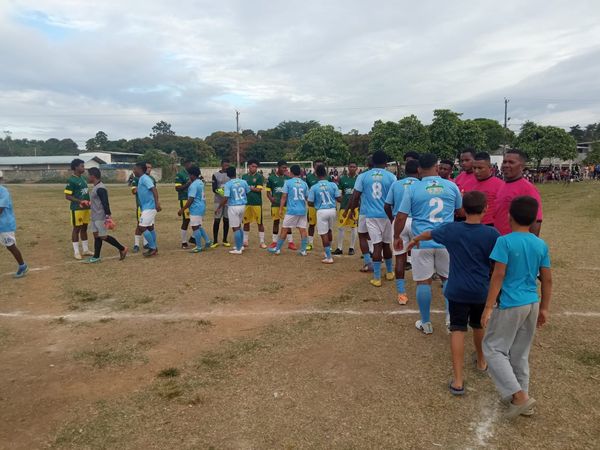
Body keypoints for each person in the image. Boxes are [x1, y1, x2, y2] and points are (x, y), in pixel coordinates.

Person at [408, 191, 500, 395]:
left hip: (457, 290)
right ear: (485, 209)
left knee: (458, 329)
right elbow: (499, 262)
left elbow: (429, 234)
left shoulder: (451, 229)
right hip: (480, 290)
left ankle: (458, 381)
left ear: (463, 210)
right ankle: (482, 362)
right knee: (478, 325)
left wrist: (415, 240)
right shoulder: (492, 234)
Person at [482, 196, 552, 419]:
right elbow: (547, 279)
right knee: (520, 353)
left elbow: (498, 274)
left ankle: (519, 396)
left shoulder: (504, 241)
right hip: (532, 303)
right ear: (533, 220)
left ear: (509, 216)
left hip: (511, 304)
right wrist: (544, 308)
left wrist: (488, 306)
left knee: (493, 348)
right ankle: (523, 399)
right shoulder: (540, 244)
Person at [394, 153, 462, 335]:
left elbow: (401, 216)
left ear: (418, 169)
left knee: (423, 282)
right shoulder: (451, 186)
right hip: (446, 241)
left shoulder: (413, 188)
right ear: (437, 167)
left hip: (421, 242)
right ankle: (450, 320)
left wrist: (396, 236)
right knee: (448, 279)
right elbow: (461, 211)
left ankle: (426, 323)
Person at [351, 150, 397, 287]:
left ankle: (377, 278)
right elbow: (396, 197)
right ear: (386, 162)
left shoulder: (363, 176)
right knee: (386, 244)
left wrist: (353, 209)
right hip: (387, 215)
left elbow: (356, 196)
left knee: (376, 245)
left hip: (371, 215)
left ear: (373, 162)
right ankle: (389, 272)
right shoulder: (391, 177)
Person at [384, 159, 419, 305]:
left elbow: (387, 205)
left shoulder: (396, 184)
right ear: (419, 170)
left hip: (400, 221)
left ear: (405, 171)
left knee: (399, 258)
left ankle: (401, 293)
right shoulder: (421, 184)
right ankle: (422, 289)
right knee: (421, 257)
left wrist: (393, 219)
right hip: (417, 222)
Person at [493, 149, 543, 236]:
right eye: (504, 162)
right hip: (499, 239)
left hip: (515, 240)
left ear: (522, 167)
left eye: (511, 162)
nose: (506, 165)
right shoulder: (502, 185)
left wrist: (529, 242)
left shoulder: (528, 189)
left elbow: (536, 220)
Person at [86, 168, 128, 263]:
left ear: (93, 176)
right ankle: (96, 257)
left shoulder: (100, 188)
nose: (87, 177)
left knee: (103, 236)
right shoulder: (96, 187)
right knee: (96, 235)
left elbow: (105, 203)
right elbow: (97, 202)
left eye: (88, 175)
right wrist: (88, 203)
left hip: (100, 216)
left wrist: (108, 215)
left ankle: (122, 248)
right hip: (95, 216)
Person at [268, 165, 309, 256]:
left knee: (284, 229)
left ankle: (277, 249)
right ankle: (303, 250)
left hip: (292, 210)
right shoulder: (304, 183)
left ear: (292, 172)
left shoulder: (288, 182)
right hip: (302, 210)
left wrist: (281, 208)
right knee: (302, 229)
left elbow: (284, 196)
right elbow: (307, 198)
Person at [308, 165, 341, 264]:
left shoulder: (314, 187)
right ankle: (328, 251)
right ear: (326, 174)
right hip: (332, 210)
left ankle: (329, 257)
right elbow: (338, 198)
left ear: (316, 174)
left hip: (321, 211)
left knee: (323, 234)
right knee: (329, 230)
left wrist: (317, 204)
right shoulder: (333, 185)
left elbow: (310, 202)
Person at [0, 172, 28, 277]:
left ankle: (22, 266)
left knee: (10, 246)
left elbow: (0, 209)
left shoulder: (3, 192)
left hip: (5, 224)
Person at [217, 167, 250, 255]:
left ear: (227, 175)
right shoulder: (243, 182)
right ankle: (241, 245)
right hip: (242, 205)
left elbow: (226, 198)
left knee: (235, 228)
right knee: (239, 226)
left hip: (233, 207)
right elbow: (247, 192)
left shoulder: (228, 184)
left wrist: (219, 207)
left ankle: (238, 249)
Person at [178, 166, 211, 253]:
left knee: (195, 227)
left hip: (195, 208)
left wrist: (182, 209)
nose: (188, 176)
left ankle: (198, 246)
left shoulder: (193, 185)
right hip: (201, 206)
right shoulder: (200, 182)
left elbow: (191, 199)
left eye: (189, 174)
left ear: (192, 175)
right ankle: (207, 241)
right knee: (198, 226)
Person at [64, 158, 92, 260]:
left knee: (84, 228)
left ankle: (85, 250)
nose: (84, 168)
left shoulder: (83, 178)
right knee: (76, 229)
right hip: (77, 209)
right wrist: (80, 201)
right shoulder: (71, 180)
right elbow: (67, 196)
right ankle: (76, 252)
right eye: (82, 166)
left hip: (86, 208)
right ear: (76, 167)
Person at [266, 161, 296, 250]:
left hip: (287, 205)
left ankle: (290, 242)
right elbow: (268, 192)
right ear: (278, 167)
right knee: (276, 222)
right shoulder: (271, 178)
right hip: (276, 205)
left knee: (288, 223)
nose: (285, 169)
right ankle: (274, 242)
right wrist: (271, 199)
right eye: (283, 167)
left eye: (286, 168)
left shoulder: (288, 178)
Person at [133, 162, 161, 257]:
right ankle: (154, 248)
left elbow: (154, 189)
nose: (134, 171)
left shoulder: (145, 178)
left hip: (150, 207)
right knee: (150, 227)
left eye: (135, 169)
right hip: (147, 207)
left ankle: (152, 248)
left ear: (140, 169)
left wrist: (157, 203)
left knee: (142, 227)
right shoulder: (141, 178)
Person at [472, 152, 505, 226]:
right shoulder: (469, 183)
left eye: (480, 168)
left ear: (490, 168)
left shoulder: (500, 185)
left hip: (491, 225)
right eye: (474, 168)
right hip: (472, 225)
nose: (476, 171)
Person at [334, 162, 359, 256]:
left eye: (354, 167)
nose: (352, 168)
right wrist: (343, 201)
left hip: (355, 207)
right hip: (344, 207)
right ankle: (339, 248)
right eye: (350, 166)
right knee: (341, 227)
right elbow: (339, 193)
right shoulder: (342, 179)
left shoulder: (359, 179)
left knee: (353, 227)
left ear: (356, 168)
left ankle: (351, 248)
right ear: (348, 168)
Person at [242, 159, 267, 248]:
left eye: (256, 167)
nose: (255, 168)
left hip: (257, 203)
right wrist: (251, 188)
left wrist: (251, 188)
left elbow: (259, 189)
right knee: (246, 222)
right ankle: (245, 241)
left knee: (259, 223)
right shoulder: (244, 177)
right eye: (253, 166)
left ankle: (262, 242)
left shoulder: (259, 177)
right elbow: (243, 189)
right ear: (249, 166)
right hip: (246, 202)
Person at [305, 159, 328, 251]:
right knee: (311, 224)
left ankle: (327, 245)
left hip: (324, 206)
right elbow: (306, 191)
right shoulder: (309, 177)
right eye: (317, 165)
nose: (319, 167)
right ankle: (310, 243)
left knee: (326, 226)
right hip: (313, 206)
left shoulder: (327, 178)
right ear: (314, 166)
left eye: (320, 165)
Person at [174, 159, 195, 249]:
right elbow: (177, 188)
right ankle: (184, 242)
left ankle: (193, 238)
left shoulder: (193, 173)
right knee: (186, 220)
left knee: (196, 219)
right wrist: (188, 184)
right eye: (189, 163)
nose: (191, 165)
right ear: (185, 164)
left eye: (191, 163)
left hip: (194, 199)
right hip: (185, 199)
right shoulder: (180, 174)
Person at [211, 159, 231, 248]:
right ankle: (215, 241)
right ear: (221, 165)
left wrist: (227, 195)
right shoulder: (215, 175)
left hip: (228, 202)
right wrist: (224, 193)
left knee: (226, 220)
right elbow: (214, 188)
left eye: (228, 166)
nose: (226, 167)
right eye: (225, 165)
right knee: (217, 220)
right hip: (218, 201)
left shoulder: (230, 175)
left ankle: (225, 240)